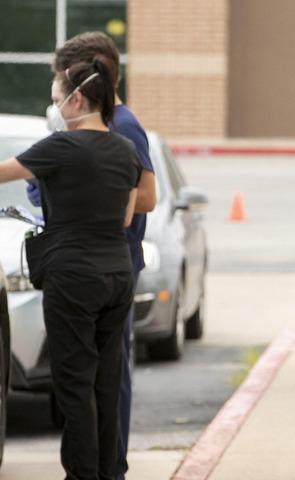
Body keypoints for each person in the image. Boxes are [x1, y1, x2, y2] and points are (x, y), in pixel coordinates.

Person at [0, 55, 141, 480]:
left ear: (77, 99)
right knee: (105, 379)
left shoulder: (60, 146)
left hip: (72, 277)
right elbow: (125, 218)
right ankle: (105, 470)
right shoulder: (126, 149)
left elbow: (5, 172)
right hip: (117, 274)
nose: (55, 109)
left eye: (57, 99)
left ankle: (81, 475)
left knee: (74, 384)